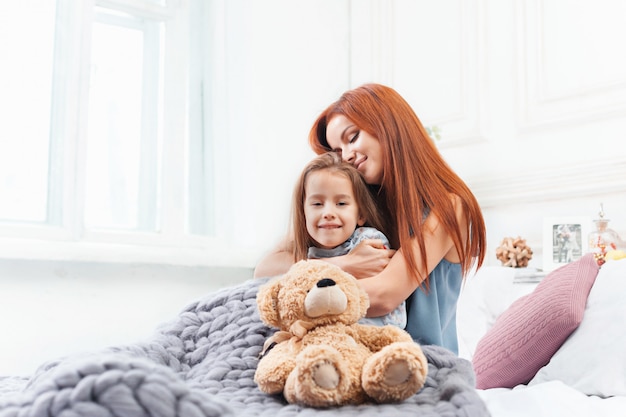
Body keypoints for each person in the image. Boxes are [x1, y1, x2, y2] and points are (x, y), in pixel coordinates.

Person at [254, 83, 486, 354]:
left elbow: (384, 296)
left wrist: (302, 290)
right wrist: (343, 263)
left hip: (421, 366)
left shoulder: (448, 208)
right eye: (338, 151)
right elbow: (265, 269)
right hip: (355, 358)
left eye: (352, 138)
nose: (347, 156)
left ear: (390, 126)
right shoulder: (358, 207)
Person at [291, 151, 406, 328]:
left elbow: (381, 304)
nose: (328, 213)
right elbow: (264, 271)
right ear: (303, 213)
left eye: (341, 204)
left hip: (370, 336)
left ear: (360, 214)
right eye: (317, 204)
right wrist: (342, 264)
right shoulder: (307, 251)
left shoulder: (368, 242)